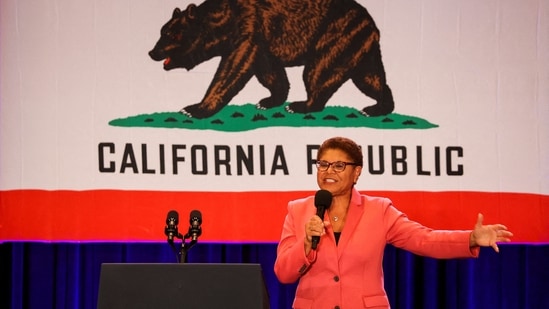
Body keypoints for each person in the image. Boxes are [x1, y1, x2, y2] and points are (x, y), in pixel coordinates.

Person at [274, 136, 513, 309]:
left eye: (339, 166)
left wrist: (470, 238)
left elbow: (424, 239)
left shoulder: (379, 210)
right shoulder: (298, 210)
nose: (329, 171)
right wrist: (305, 244)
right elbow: (283, 274)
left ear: (356, 172)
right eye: (323, 164)